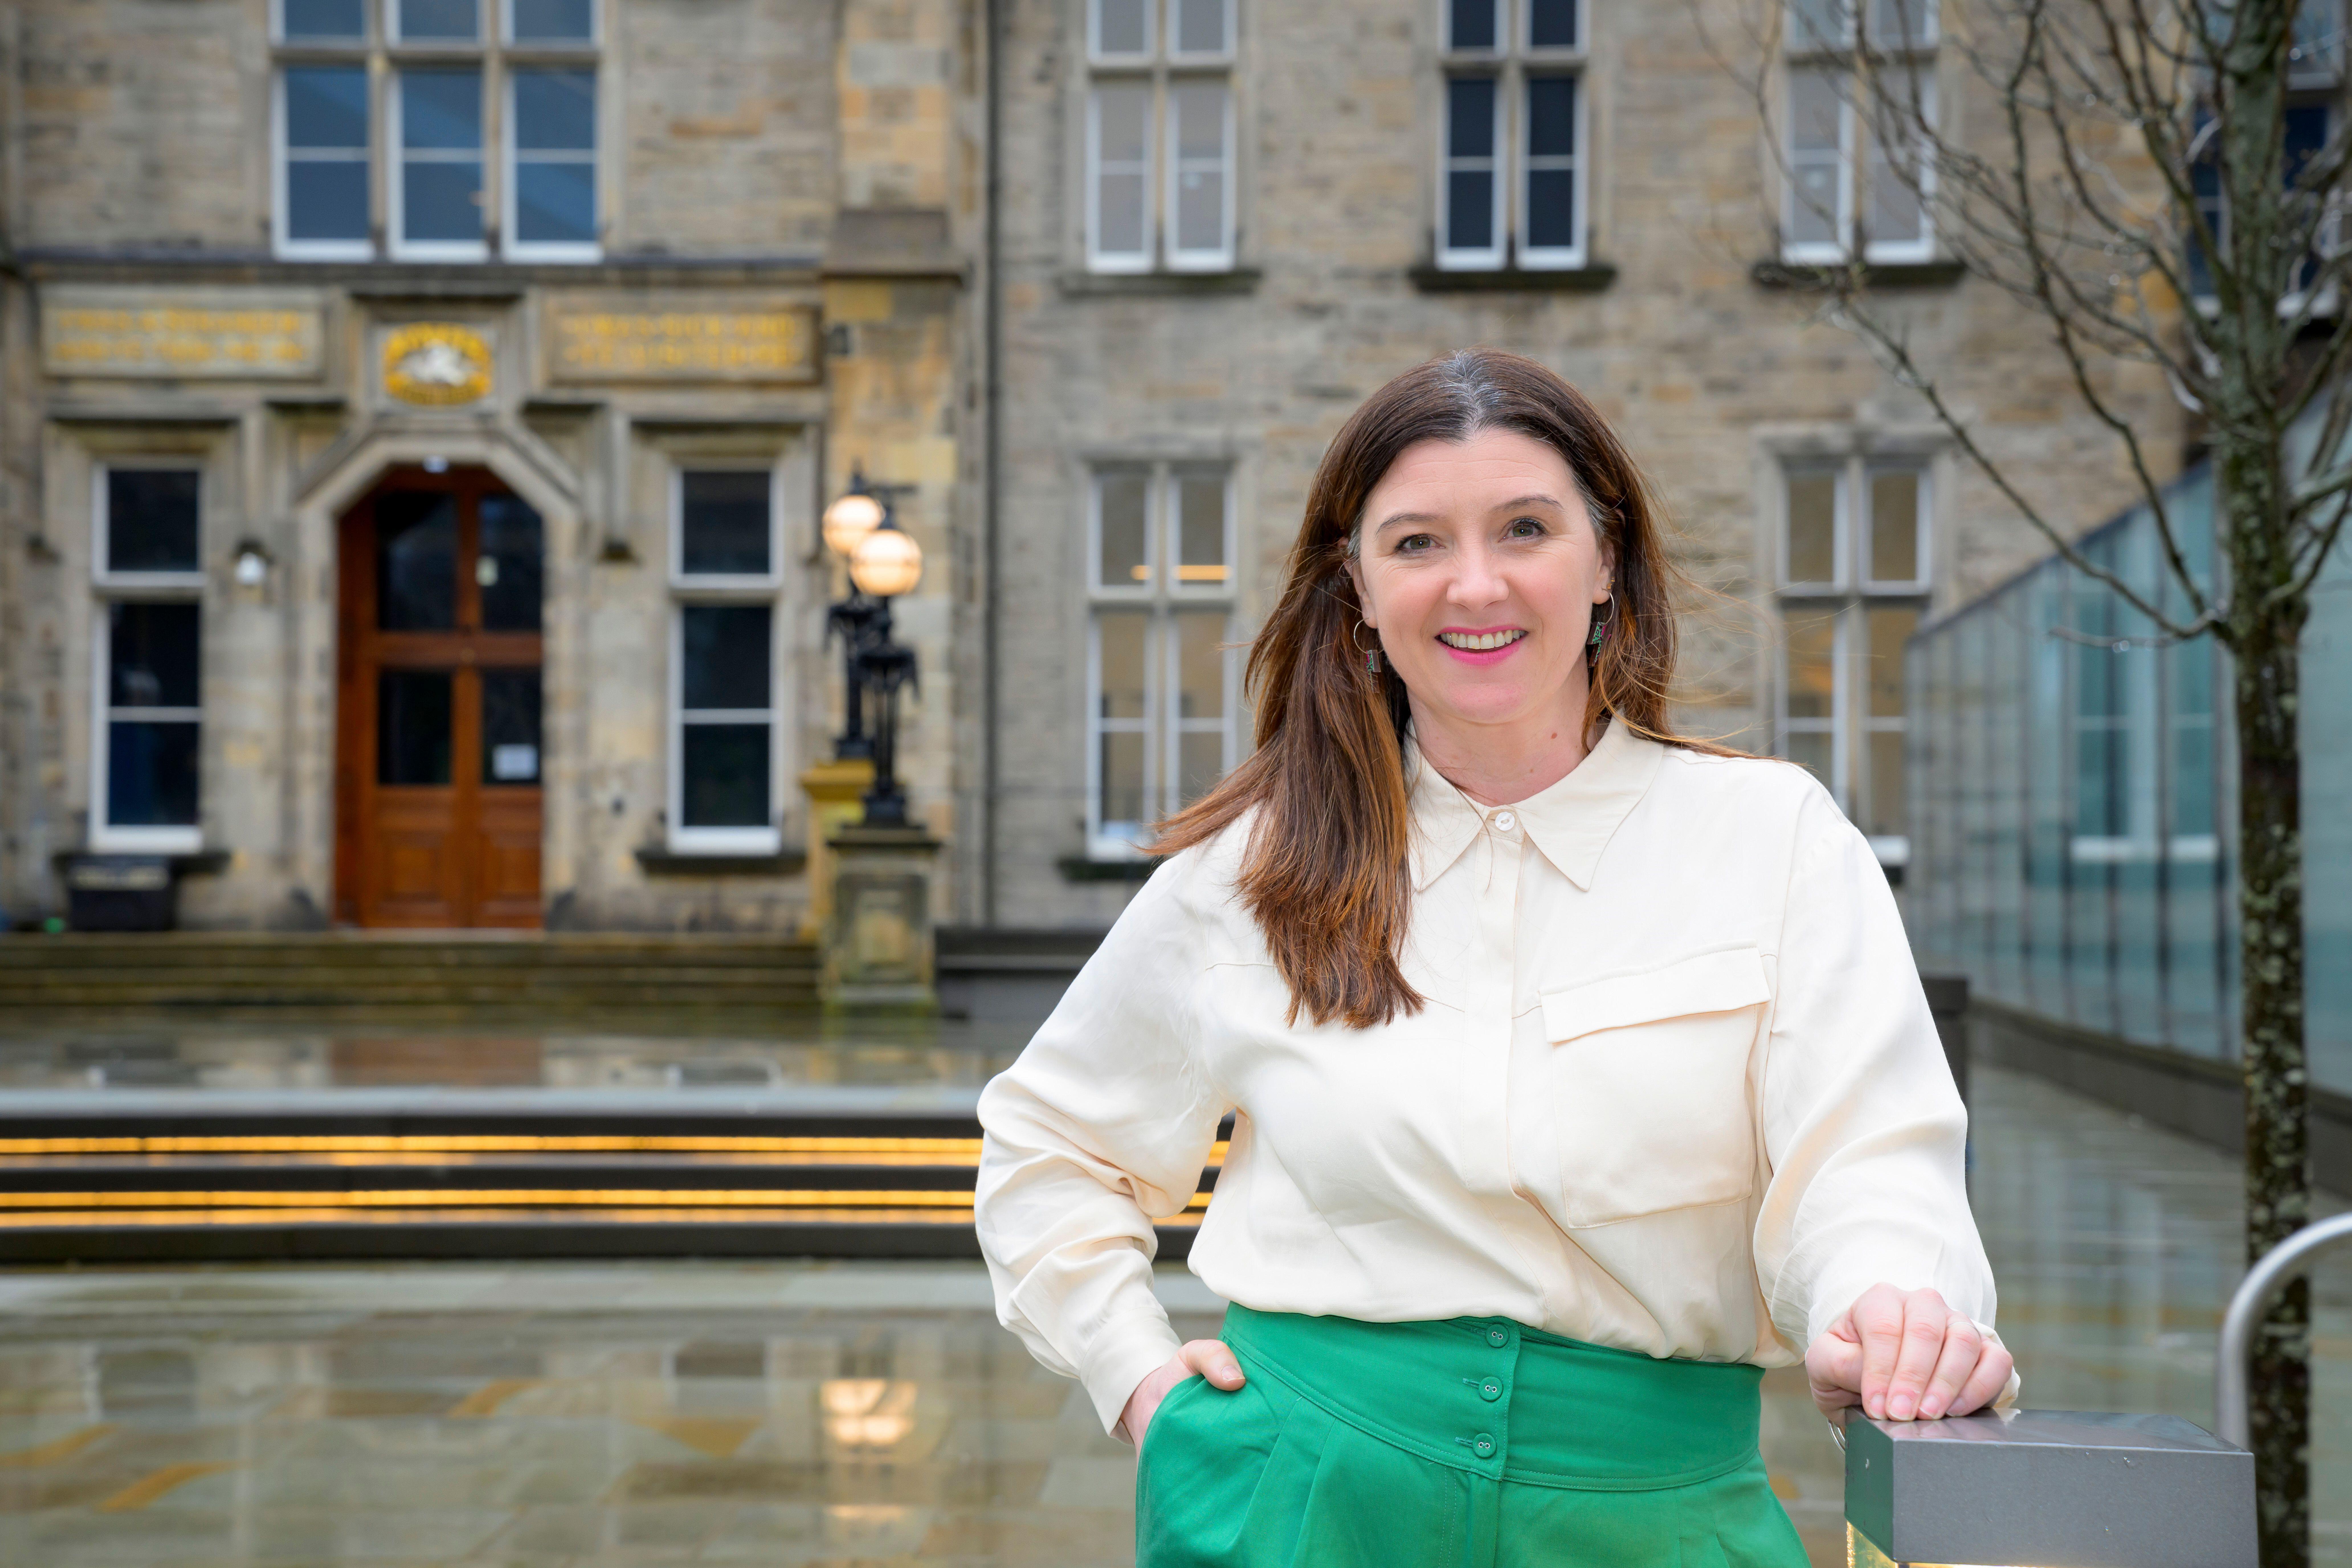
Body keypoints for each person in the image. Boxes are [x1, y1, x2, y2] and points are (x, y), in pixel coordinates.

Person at [975, 349, 2015, 1567]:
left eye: (1526, 528)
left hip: (1659, 1517)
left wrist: (1890, 1306)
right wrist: (1141, 1381)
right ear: (1358, 590)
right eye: (1417, 542)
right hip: (1294, 1505)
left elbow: (1869, 1159)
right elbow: (1053, 1147)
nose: (1476, 585)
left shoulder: (1774, 840)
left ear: (1606, 559)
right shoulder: (1246, 870)